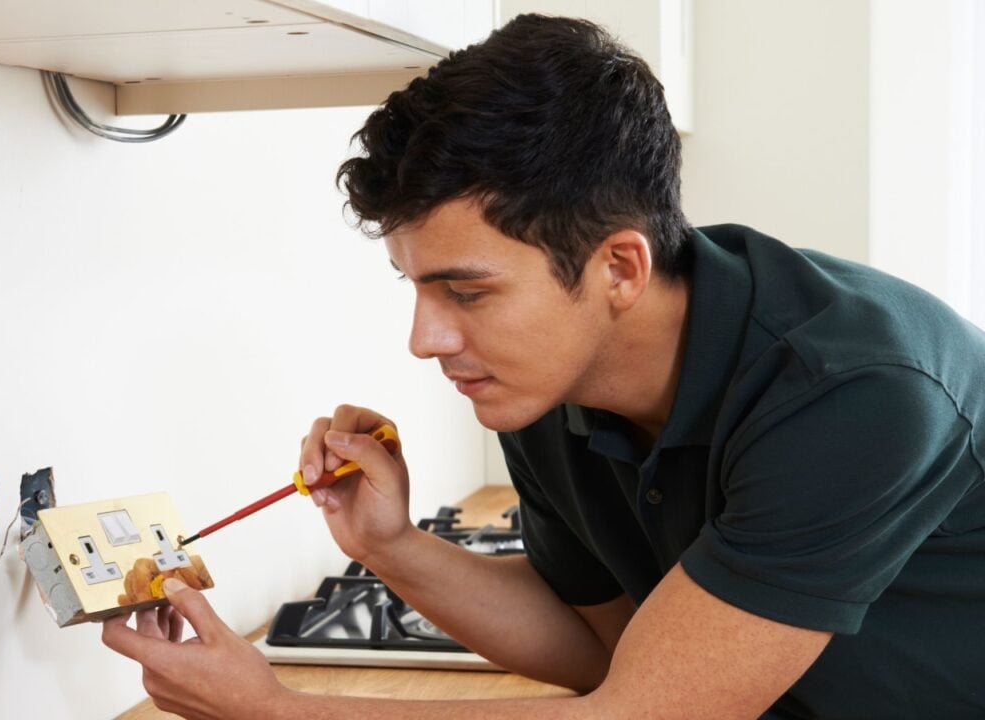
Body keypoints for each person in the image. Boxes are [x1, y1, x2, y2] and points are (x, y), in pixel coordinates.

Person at [101, 14, 985, 719]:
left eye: (467, 292)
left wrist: (276, 711)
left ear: (619, 268)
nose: (426, 339)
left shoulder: (855, 392)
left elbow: (644, 714)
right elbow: (605, 647)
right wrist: (392, 548)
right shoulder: (553, 385)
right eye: (414, 286)